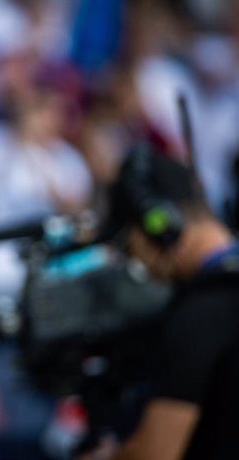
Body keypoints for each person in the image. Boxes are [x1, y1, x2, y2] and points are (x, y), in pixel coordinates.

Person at [80, 145, 239, 460]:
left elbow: (155, 454)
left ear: (158, 225)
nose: (133, 259)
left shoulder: (202, 312)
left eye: (127, 243)